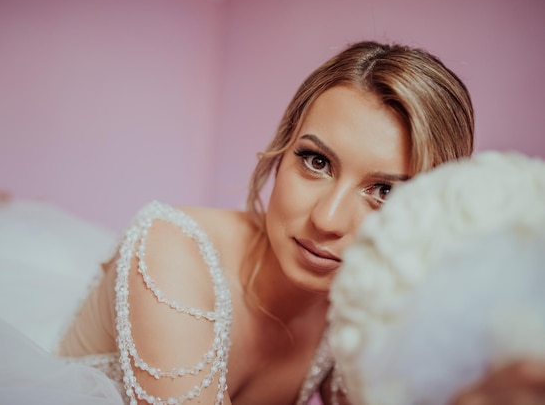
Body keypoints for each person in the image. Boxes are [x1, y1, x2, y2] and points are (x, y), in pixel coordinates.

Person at [57, 40, 475, 405]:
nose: (327, 219)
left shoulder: (356, 303)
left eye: (385, 192)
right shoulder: (170, 249)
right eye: (317, 161)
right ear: (282, 149)